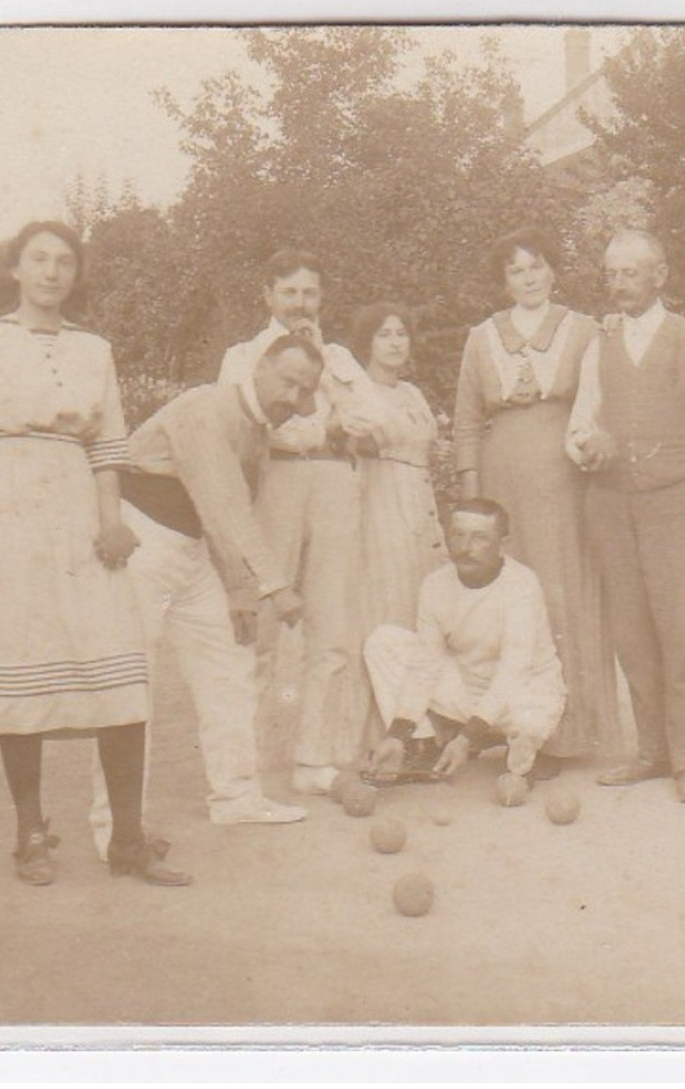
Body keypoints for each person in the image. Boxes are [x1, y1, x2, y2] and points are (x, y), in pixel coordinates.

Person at [0, 220, 188, 887]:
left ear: (77, 274)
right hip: (7, 509)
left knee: (118, 671)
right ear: (14, 268)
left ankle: (127, 841)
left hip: (78, 514)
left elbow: (107, 446)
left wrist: (110, 522)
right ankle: (30, 832)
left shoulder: (92, 348)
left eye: (64, 261)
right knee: (25, 675)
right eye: (37, 259)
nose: (51, 272)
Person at [87, 331, 323, 851]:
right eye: (287, 382)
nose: (292, 398)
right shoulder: (205, 405)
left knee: (230, 661)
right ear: (258, 369)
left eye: (304, 391)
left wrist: (240, 592)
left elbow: (222, 518)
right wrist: (276, 589)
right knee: (131, 683)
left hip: (194, 552)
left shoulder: (258, 432)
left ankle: (236, 796)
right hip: (142, 541)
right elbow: (225, 509)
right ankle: (115, 829)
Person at [566, 229, 685, 803]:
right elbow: (581, 421)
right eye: (612, 274)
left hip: (676, 499)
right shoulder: (601, 344)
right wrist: (589, 445)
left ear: (659, 276)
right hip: (612, 502)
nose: (619, 285)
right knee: (632, 630)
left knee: (684, 626)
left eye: (630, 273)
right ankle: (651, 751)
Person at [453, 227, 620, 778]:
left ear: (553, 271)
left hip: (562, 479)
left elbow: (601, 405)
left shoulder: (585, 330)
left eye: (536, 266)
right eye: (516, 271)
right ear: (504, 282)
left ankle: (563, 734)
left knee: (560, 591)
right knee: (508, 599)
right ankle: (509, 725)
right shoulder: (481, 338)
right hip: (502, 479)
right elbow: (467, 422)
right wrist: (474, 495)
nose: (528, 278)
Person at [217, 249, 381, 797]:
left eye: (310, 293)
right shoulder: (243, 355)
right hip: (277, 482)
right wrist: (325, 423)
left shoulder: (336, 358)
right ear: (268, 296)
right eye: (289, 293)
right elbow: (251, 424)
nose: (300, 304)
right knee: (265, 625)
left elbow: (371, 418)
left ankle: (315, 758)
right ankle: (249, 759)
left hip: (334, 480)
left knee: (331, 624)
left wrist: (324, 372)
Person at [363, 499, 566, 796]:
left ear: (503, 543)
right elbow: (425, 665)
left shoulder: (522, 584)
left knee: (529, 724)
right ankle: (423, 744)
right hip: (468, 690)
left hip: (523, 692)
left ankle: (494, 742)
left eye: (480, 537)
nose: (465, 547)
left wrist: (466, 738)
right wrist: (398, 733)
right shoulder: (434, 585)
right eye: (458, 535)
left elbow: (514, 670)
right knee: (383, 642)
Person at [348, 303, 449, 637]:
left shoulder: (411, 392)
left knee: (425, 598)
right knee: (389, 599)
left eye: (401, 334)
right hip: (381, 501)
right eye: (384, 335)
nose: (395, 343)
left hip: (421, 504)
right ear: (367, 343)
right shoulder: (356, 391)